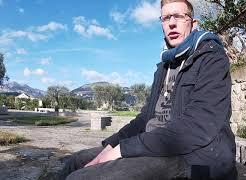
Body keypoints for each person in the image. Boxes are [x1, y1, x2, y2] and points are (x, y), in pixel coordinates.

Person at [64, 0, 236, 179]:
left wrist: (124, 149)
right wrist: (113, 144)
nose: (171, 23)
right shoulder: (164, 66)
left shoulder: (212, 57)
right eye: (165, 18)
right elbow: (145, 118)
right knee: (76, 161)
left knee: (82, 178)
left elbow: (197, 127)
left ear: (193, 24)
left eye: (178, 16)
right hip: (154, 144)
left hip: (191, 153)